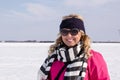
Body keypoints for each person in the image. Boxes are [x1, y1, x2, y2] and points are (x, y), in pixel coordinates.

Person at [38, 14, 110, 80]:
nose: (69, 35)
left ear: (81, 34)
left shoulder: (93, 57)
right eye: (64, 31)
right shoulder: (53, 58)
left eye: (74, 31)